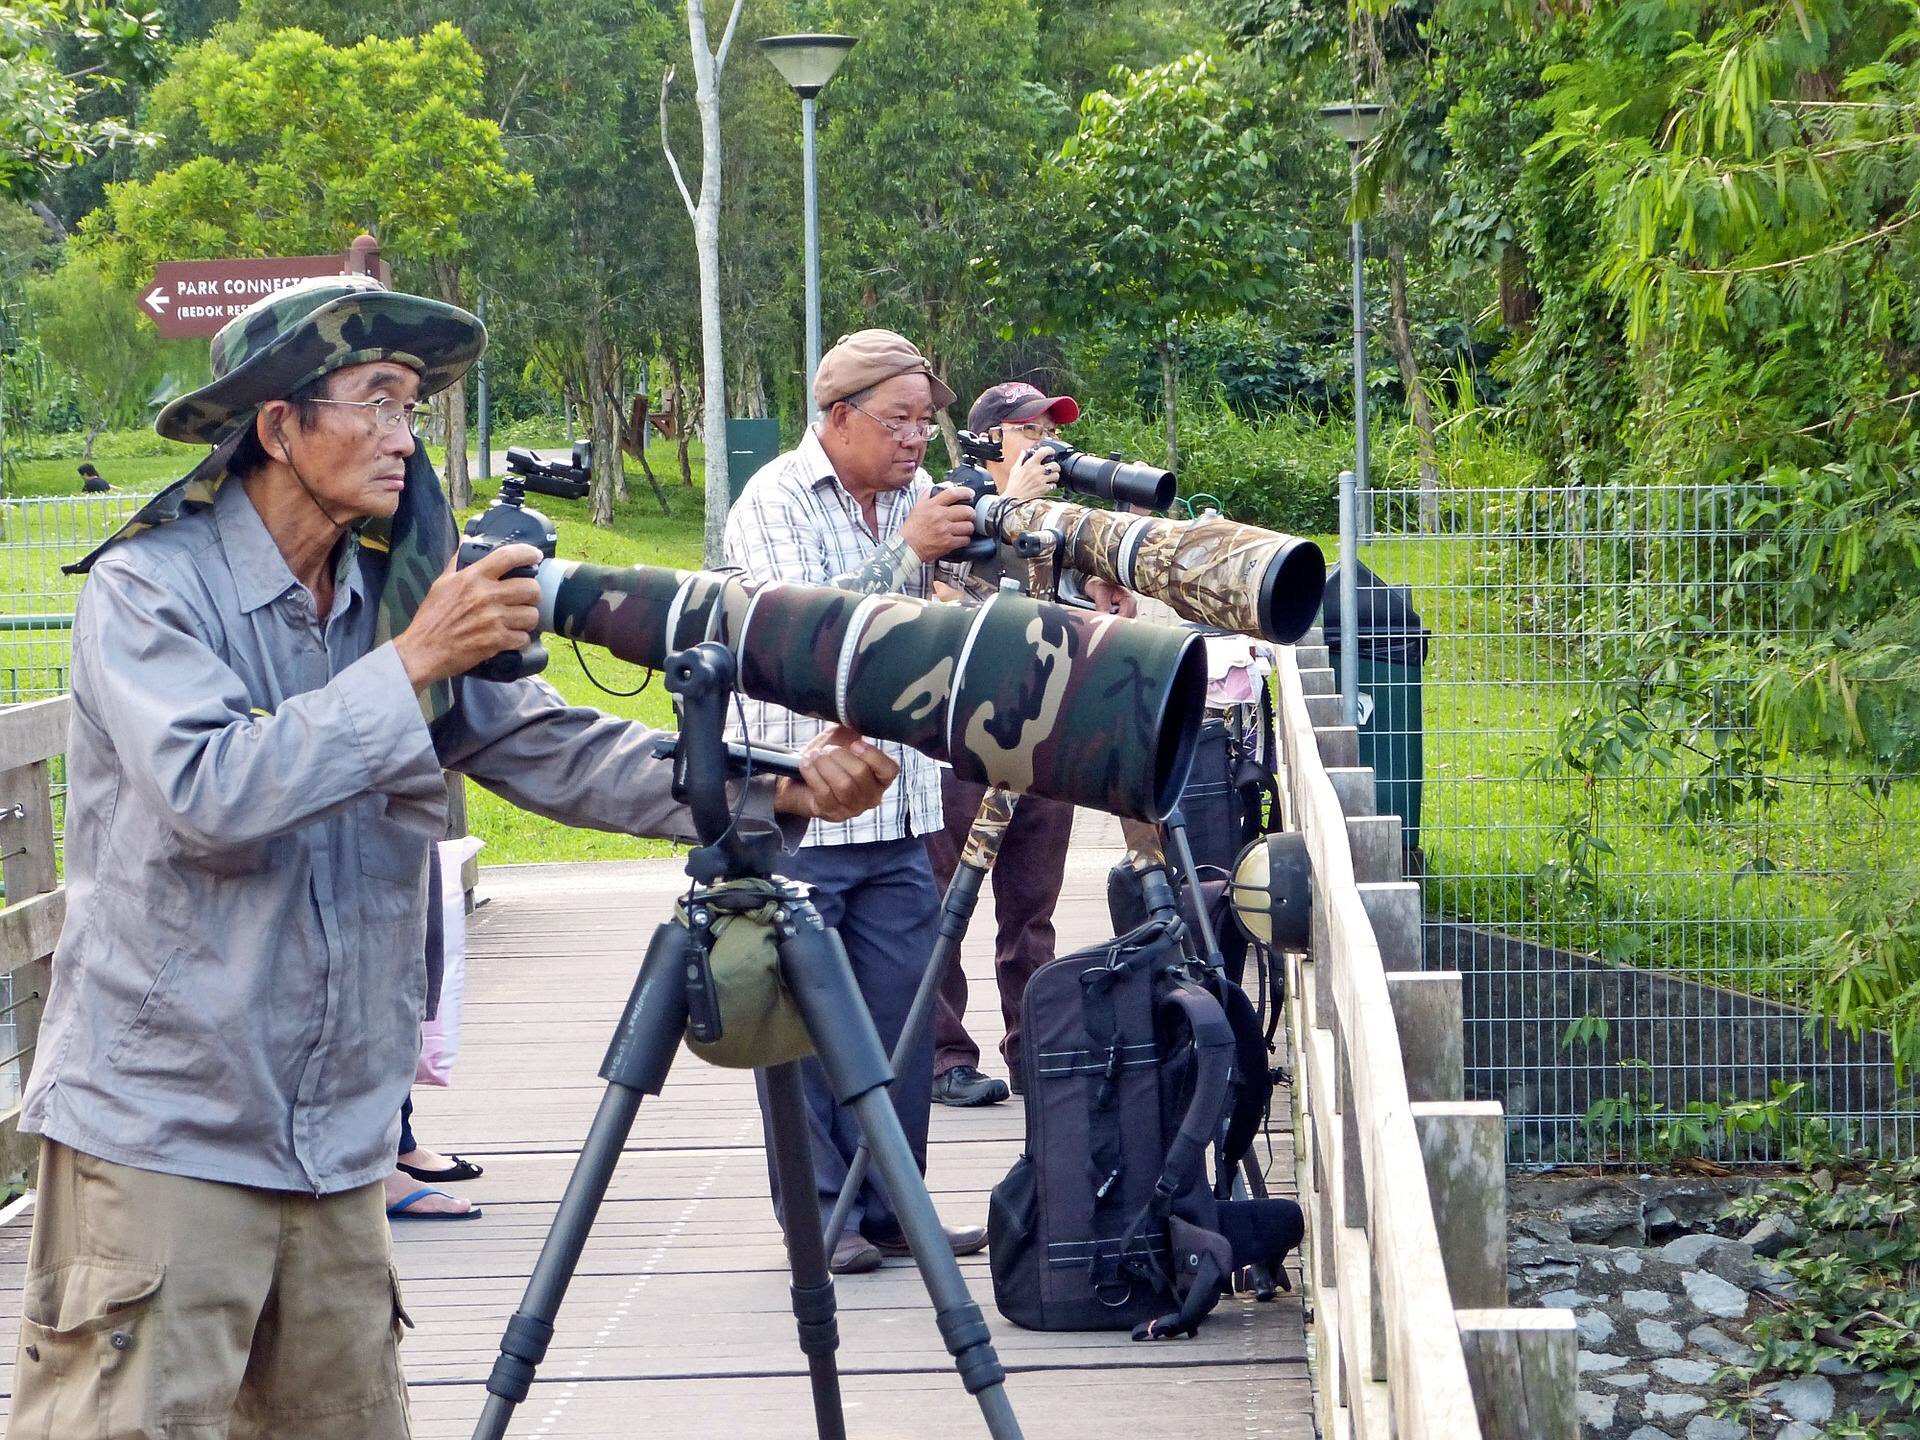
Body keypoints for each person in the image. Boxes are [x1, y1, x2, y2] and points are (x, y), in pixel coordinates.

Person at [10, 275, 895, 1440]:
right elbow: (208, 793)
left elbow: (540, 741)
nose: (401, 434)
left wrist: (766, 786)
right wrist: (414, 663)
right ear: (279, 425)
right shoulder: (150, 588)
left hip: (338, 1140)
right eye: (373, 398)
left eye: (413, 402)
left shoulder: (387, 585)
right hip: (169, 1129)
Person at [725, 329, 991, 1276]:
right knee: (799, 1027)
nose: (919, 439)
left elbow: (954, 625)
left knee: (903, 1025)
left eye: (928, 420)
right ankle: (821, 1219)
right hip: (803, 809)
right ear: (837, 418)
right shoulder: (774, 497)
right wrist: (907, 556)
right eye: (899, 420)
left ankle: (892, 1208)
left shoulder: (923, 497)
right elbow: (792, 631)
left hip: (906, 811)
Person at [922, 383, 1134, 1106]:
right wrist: (1008, 505)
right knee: (944, 902)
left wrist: (1107, 582)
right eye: (1030, 429)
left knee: (1031, 913)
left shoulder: (1060, 514)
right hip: (961, 735)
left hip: (1046, 735)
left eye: (1054, 430)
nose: (1050, 444)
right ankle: (944, 1058)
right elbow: (947, 613)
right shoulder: (952, 504)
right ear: (987, 441)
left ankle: (1032, 1052)